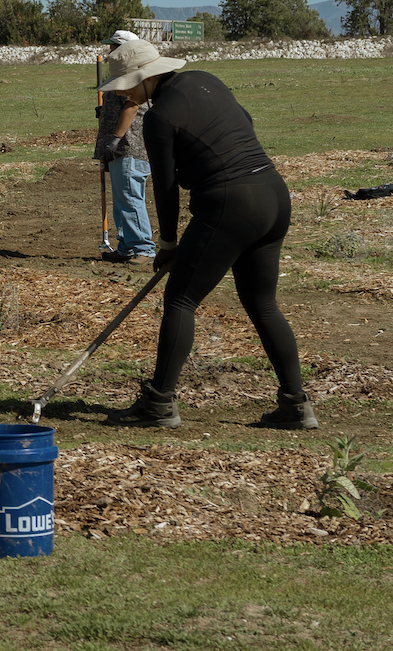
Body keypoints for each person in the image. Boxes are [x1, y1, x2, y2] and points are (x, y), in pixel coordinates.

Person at [96, 37, 317, 430]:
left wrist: (167, 245)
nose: (125, 92)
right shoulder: (206, 79)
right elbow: (243, 123)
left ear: (147, 77)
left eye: (128, 83)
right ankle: (296, 406)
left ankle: (159, 403)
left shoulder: (160, 118)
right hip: (273, 195)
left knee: (181, 298)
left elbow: (164, 190)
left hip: (231, 203)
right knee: (263, 305)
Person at [97, 30, 157, 264]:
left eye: (114, 47)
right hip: (120, 148)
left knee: (130, 197)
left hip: (130, 145)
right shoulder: (121, 72)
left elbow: (132, 106)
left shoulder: (132, 74)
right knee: (122, 198)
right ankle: (126, 245)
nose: (110, 51)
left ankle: (143, 248)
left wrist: (115, 137)